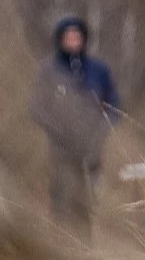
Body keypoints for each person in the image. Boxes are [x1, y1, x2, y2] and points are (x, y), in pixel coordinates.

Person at [29, 14, 120, 229]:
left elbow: (114, 104)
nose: (73, 41)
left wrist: (103, 128)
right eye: (68, 37)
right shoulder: (48, 71)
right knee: (61, 200)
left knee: (86, 202)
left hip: (91, 146)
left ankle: (84, 253)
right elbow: (36, 108)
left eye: (77, 36)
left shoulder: (98, 70)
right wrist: (56, 129)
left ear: (84, 39)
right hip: (60, 147)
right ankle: (58, 250)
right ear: (60, 40)